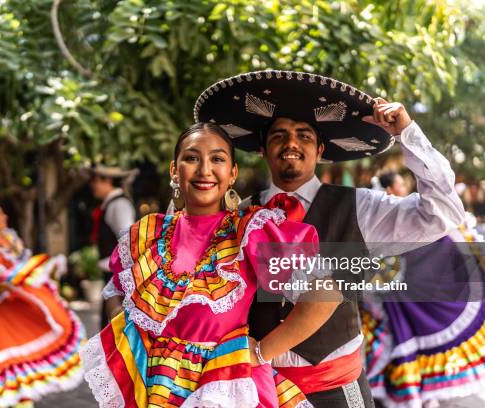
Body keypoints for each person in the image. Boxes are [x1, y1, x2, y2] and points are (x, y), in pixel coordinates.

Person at [194, 70, 465, 408]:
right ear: (263, 148)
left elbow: (444, 213)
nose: (291, 143)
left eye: (304, 136)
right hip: (257, 392)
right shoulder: (238, 215)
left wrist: (407, 134)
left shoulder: (360, 208)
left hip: (335, 393)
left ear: (320, 149)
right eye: (279, 135)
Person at [80, 123, 341, 407]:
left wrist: (263, 352)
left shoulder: (250, 232)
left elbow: (323, 296)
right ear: (174, 171)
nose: (205, 170)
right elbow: (123, 305)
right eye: (192, 158)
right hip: (154, 388)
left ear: (232, 173)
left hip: (225, 389)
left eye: (217, 159)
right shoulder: (148, 234)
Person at [360, 182, 485, 408]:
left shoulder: (414, 215)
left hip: (413, 303)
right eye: (398, 184)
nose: (401, 188)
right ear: (389, 188)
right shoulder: (386, 218)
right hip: (395, 305)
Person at [0, 204, 86, 407]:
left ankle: (20, 397)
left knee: (19, 353)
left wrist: (35, 271)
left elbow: (21, 265)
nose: (4, 216)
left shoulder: (10, 239)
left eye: (2, 212)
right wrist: (27, 273)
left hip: (13, 305)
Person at [88, 164, 137, 327]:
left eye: (95, 180)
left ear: (107, 180)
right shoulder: (112, 204)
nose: (92, 185)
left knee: (113, 328)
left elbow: (129, 240)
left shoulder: (118, 204)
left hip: (118, 279)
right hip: (113, 277)